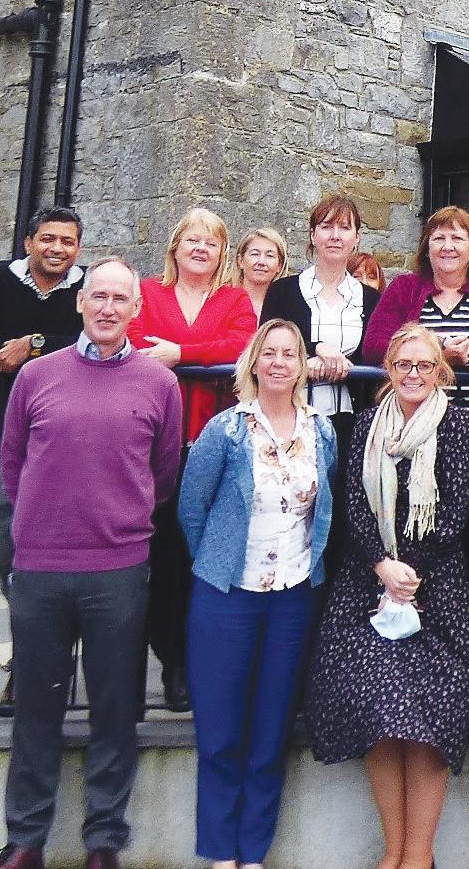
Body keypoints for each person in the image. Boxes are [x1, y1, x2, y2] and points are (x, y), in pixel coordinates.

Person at [0, 258, 184, 869]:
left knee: (115, 708)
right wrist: (44, 523)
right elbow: (13, 464)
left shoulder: (159, 384)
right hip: (41, 566)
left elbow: (164, 473)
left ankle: (103, 841)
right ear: (80, 302)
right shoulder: (36, 376)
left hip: (119, 568)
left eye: (120, 299)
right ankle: (26, 839)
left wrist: (117, 518)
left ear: (136, 310)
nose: (107, 308)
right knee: (36, 709)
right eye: (98, 296)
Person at [305, 324, 469, 869]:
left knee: (427, 718)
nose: (413, 374)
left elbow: (454, 513)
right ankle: (393, 851)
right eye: (404, 364)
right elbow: (354, 505)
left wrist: (410, 572)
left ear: (440, 372)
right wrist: (382, 565)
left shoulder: (457, 425)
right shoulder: (367, 424)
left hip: (436, 587)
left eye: (424, 365)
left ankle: (419, 855)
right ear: (389, 368)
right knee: (378, 714)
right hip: (369, 580)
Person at [178, 320, 338, 869]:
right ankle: (221, 853)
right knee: (221, 731)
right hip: (228, 595)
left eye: (289, 354)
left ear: (301, 365)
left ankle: (253, 854)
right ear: (253, 362)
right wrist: (218, 560)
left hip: (294, 596)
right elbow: (192, 509)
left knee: (271, 731)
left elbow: (324, 509)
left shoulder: (321, 431)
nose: (278, 363)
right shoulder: (226, 429)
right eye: (268, 353)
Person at [0, 205, 86, 714]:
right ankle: (37, 648)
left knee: (64, 557)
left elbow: (97, 338)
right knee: (7, 556)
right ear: (29, 242)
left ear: (78, 247)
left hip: (72, 447)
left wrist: (35, 344)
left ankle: (36, 664)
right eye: (48, 239)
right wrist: (0, 353)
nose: (57, 249)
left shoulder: (87, 287)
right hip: (10, 440)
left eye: (67, 241)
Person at [129, 206, 258, 712]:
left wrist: (179, 354)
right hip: (154, 443)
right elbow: (135, 343)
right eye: (192, 240)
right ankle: (166, 658)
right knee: (159, 555)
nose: (201, 248)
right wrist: (201, 351)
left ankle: (195, 661)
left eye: (211, 242)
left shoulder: (233, 299)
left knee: (201, 554)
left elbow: (241, 345)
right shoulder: (148, 292)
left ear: (223, 252)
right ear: (175, 248)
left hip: (212, 444)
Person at [260, 195, 383, 576]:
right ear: (312, 235)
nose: (335, 236)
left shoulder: (371, 298)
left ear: (357, 238)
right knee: (294, 510)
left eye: (344, 228)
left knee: (344, 515)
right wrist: (315, 352)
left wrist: (345, 366)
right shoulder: (283, 291)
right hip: (295, 419)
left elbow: (378, 354)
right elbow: (267, 343)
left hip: (351, 423)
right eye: (326, 226)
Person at [361, 205, 469, 458]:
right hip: (412, 427)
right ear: (426, 247)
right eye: (439, 238)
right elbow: (373, 347)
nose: (448, 246)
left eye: (457, 238)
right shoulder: (404, 288)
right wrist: (438, 353)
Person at [227, 227, 290, 319]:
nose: (261, 262)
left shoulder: (287, 307)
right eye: (255, 254)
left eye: (269, 256)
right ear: (240, 261)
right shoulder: (221, 299)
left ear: (279, 265)